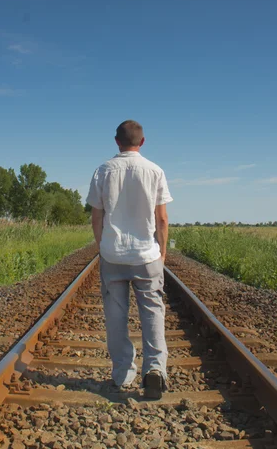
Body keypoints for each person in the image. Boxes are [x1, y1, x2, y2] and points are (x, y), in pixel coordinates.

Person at [86, 120, 173, 399]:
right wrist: (162, 252)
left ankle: (123, 373)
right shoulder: (155, 171)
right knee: (152, 312)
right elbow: (161, 217)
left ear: (116, 141)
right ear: (143, 142)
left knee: (115, 314)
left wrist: (102, 246)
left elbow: (96, 216)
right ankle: (155, 370)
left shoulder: (102, 171)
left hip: (113, 254)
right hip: (146, 254)